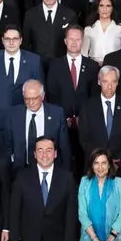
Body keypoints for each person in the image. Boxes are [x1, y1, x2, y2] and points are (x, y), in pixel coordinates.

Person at [45, 25, 100, 174]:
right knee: (64, 161)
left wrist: (80, 119)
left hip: (86, 124)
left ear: (83, 41)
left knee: (85, 162)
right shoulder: (55, 65)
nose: (74, 43)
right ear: (65, 41)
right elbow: (51, 94)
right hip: (61, 123)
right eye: (71, 39)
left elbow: (95, 97)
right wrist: (65, 118)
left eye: (78, 39)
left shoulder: (92, 66)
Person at [0, 25, 44, 148]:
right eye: (7, 38)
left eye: (15, 39)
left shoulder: (34, 60)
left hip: (25, 117)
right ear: (2, 40)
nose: (11, 42)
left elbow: (40, 91)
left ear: (21, 40)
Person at [78, 65, 121, 181]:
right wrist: (101, 161)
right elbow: (84, 139)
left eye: (113, 82)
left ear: (117, 83)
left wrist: (117, 160)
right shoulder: (87, 106)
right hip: (94, 167)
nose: (109, 86)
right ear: (99, 82)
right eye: (105, 81)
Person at [1, 80, 71, 170]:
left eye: (34, 98)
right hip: (20, 170)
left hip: (49, 169)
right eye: (27, 99)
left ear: (42, 96)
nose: (30, 103)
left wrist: (65, 172)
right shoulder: (13, 115)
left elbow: (64, 147)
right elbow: (7, 147)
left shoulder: (57, 114)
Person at [22, 0, 77, 68]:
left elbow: (73, 45)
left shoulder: (70, 15)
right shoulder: (30, 15)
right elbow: (25, 45)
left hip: (62, 66)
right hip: (37, 66)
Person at [82, 0, 121, 65]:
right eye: (101, 6)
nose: (105, 9)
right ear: (97, 9)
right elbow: (84, 53)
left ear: (112, 8)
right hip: (94, 66)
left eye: (108, 6)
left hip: (115, 66)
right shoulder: (88, 29)